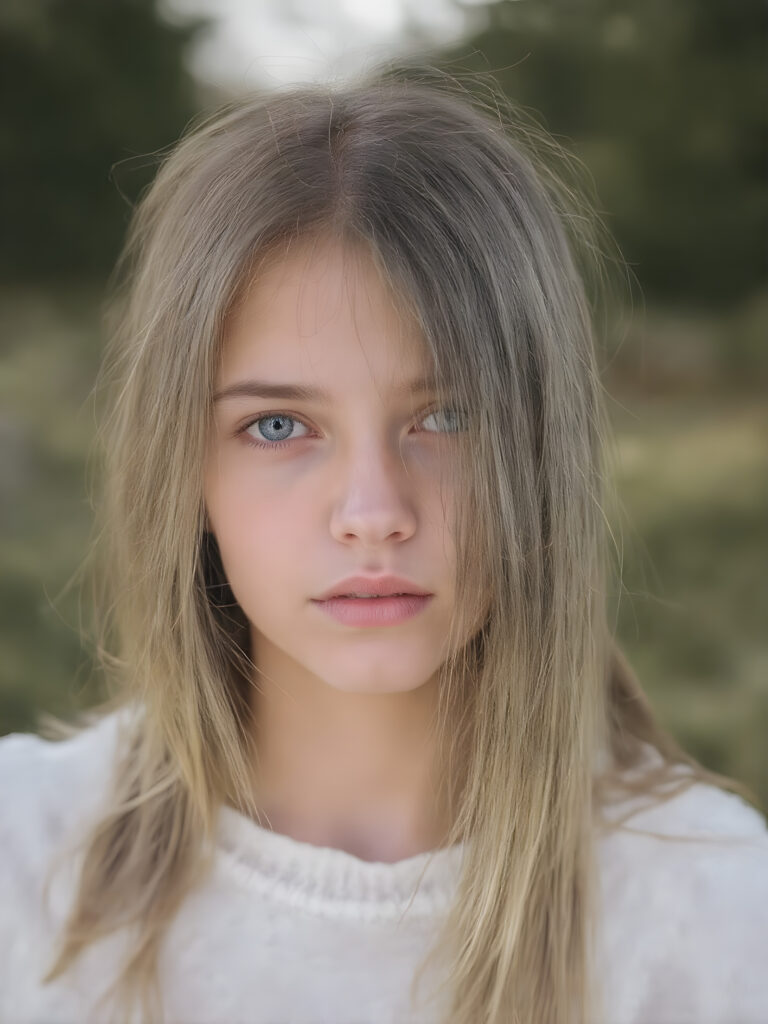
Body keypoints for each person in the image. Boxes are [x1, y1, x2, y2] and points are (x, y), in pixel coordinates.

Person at [1, 64, 766, 1024]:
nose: (373, 510)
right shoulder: (21, 861)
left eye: (446, 415)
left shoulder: (716, 909)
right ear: (183, 473)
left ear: (544, 450)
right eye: (279, 426)